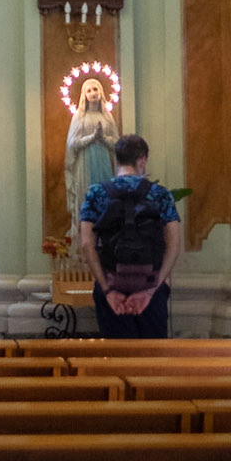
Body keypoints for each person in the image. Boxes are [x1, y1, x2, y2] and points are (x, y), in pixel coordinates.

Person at [78, 133, 182, 338]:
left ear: (116, 160)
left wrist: (107, 290)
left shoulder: (96, 193)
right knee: (152, 355)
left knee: (116, 354)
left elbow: (86, 244)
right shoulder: (160, 194)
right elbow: (174, 244)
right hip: (150, 287)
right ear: (142, 160)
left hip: (112, 285)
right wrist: (153, 289)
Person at [63, 74, 119, 233]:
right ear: (84, 95)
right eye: (89, 90)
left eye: (95, 89)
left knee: (105, 197)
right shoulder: (79, 117)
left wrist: (104, 139)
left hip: (103, 160)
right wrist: (92, 138)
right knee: (86, 196)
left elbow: (117, 143)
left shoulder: (107, 117)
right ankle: (86, 236)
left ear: (101, 92)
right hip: (85, 162)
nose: (93, 93)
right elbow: (72, 143)